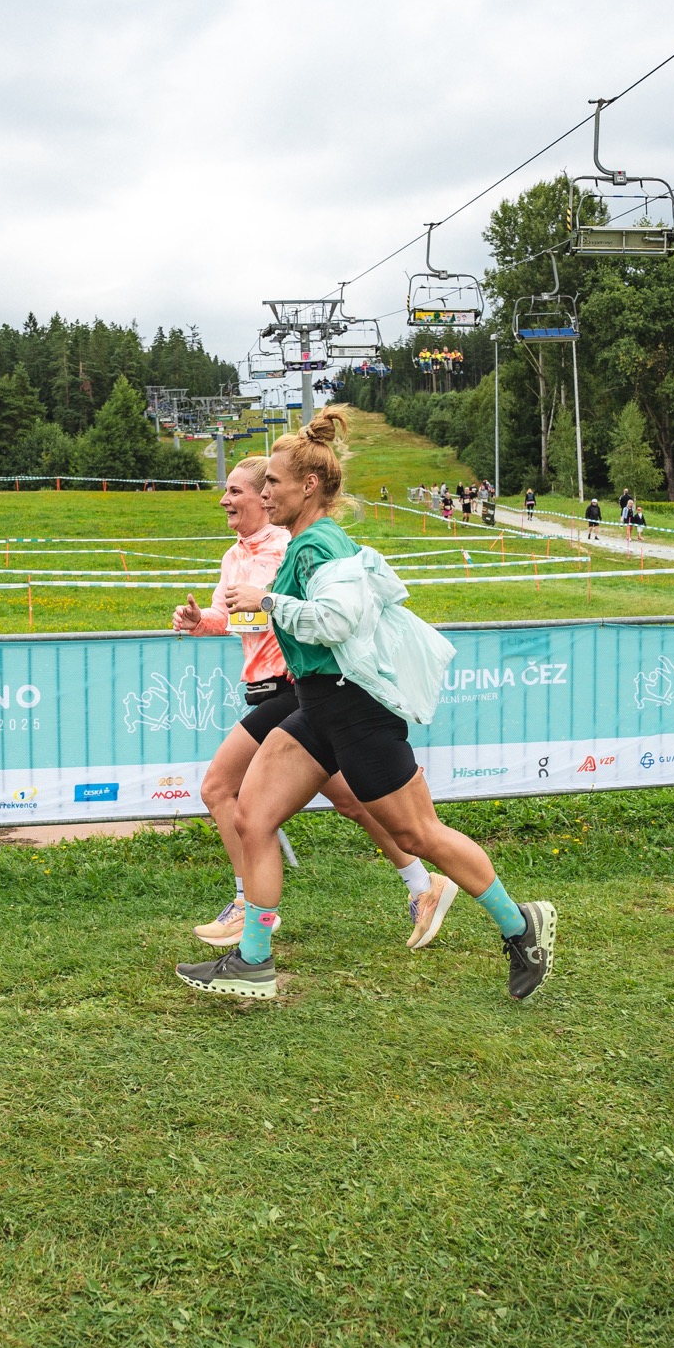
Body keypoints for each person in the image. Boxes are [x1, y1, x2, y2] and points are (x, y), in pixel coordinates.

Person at [178, 408, 557, 1002]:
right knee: (253, 817)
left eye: (272, 481)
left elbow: (338, 620)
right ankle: (253, 961)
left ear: (308, 486)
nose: (264, 491)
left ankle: (520, 926)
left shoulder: (318, 544)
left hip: (355, 709)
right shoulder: (304, 543)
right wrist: (246, 608)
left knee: (418, 833)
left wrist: (267, 601)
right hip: (317, 706)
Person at [172, 456, 456, 951]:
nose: (225, 500)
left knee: (218, 787)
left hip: (293, 687)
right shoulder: (233, 556)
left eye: (237, 491)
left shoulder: (291, 545)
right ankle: (422, 884)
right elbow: (234, 617)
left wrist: (274, 617)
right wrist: (202, 622)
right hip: (267, 689)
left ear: (266, 494)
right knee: (352, 801)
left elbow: (313, 615)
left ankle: (246, 907)